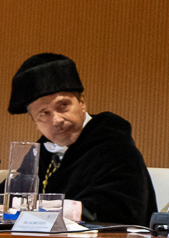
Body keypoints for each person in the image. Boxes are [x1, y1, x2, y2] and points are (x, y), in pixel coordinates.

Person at [7, 53, 157, 225]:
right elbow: (11, 198)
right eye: (44, 113)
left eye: (63, 106)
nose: (57, 120)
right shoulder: (42, 151)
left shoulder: (114, 144)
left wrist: (47, 209)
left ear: (82, 102)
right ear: (34, 121)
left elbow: (120, 210)